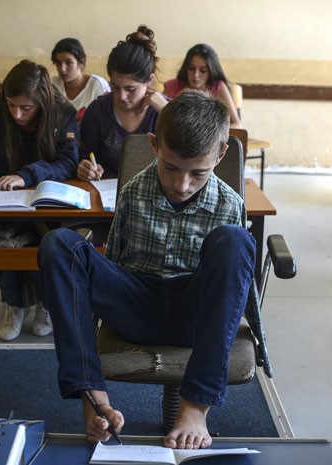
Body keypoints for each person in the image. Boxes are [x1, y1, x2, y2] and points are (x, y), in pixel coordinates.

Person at [38, 90, 256, 449]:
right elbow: (117, 265)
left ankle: (195, 407)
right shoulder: (134, 190)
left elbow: (226, 290)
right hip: (137, 306)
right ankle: (94, 400)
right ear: (154, 145)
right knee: (58, 244)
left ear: (220, 155)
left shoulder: (230, 205)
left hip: (194, 315)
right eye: (170, 167)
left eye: (197, 173)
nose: (180, 184)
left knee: (235, 241)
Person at [0, 59, 79, 340]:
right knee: (3, 238)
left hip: (49, 199)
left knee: (51, 239)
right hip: (5, 199)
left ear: (41, 101)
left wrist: (26, 175)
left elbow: (68, 162)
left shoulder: (63, 112)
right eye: (11, 105)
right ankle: (14, 303)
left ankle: (46, 303)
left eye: (26, 108)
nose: (17, 114)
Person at [77, 25, 167, 181]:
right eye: (115, 87)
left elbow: (195, 151)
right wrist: (86, 169)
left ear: (149, 81)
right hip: (107, 197)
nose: (122, 96)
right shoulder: (98, 112)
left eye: (130, 89)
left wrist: (167, 110)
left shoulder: (164, 112)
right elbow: (86, 158)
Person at [164, 43, 242, 129]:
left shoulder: (218, 88)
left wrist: (211, 135)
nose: (196, 75)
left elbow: (237, 124)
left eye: (203, 70)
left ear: (211, 71)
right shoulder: (172, 86)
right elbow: (161, 122)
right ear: (186, 68)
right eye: (191, 68)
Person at [50, 38, 110, 123]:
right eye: (58, 63)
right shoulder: (53, 84)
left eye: (69, 63)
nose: (62, 69)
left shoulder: (97, 86)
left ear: (82, 62)